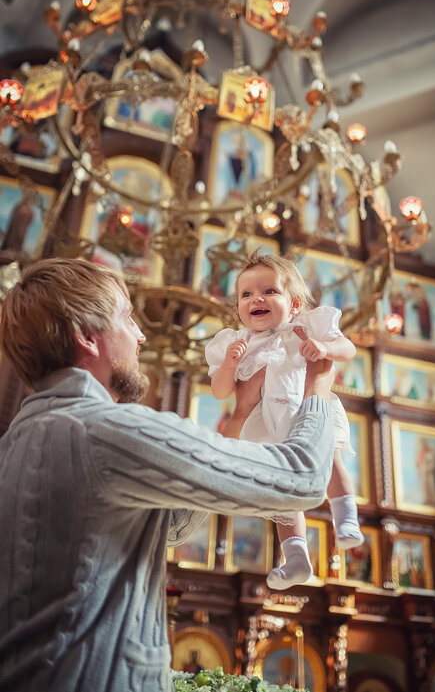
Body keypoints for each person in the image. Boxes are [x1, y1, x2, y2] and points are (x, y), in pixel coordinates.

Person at [0, 257, 335, 692]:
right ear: (87, 336)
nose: (141, 335)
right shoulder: (110, 432)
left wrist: (238, 422)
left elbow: (169, 525)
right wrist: (318, 386)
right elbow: (302, 480)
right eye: (127, 318)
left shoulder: (14, 443)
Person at [206, 251, 364, 590]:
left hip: (308, 411)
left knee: (332, 461)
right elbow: (220, 391)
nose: (256, 299)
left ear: (293, 304)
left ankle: (347, 519)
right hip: (267, 427)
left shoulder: (305, 327)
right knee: (282, 494)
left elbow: (348, 348)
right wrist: (229, 366)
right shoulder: (237, 343)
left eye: (269, 291)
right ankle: (295, 558)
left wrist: (323, 348)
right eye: (246, 295)